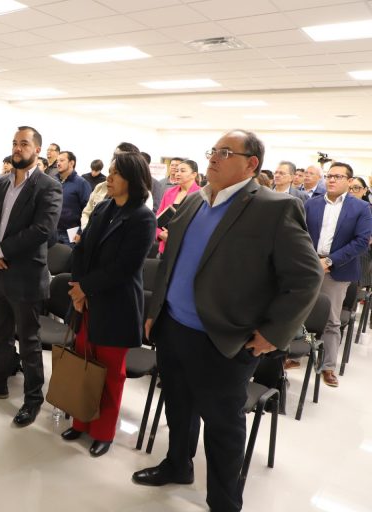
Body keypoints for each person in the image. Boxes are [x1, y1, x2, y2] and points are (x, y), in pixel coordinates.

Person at [132, 129, 323, 512]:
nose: (213, 158)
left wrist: (274, 333)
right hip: (173, 328)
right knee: (178, 406)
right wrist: (155, 313)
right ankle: (178, 465)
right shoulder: (195, 200)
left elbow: (306, 277)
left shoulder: (274, 207)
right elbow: (170, 262)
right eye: (213, 151)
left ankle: (223, 501)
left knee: (222, 425)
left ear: (251, 163)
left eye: (225, 152)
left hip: (223, 339)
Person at [0, 125, 63, 428]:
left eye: (25, 144)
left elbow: (42, 230)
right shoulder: (1, 183)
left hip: (25, 275)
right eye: (15, 143)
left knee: (29, 341)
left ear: (37, 150)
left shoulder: (48, 186)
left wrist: (1, 250)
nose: (18, 148)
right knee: (1, 334)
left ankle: (32, 399)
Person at [63, 151, 156, 457]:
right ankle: (80, 420)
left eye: (116, 173)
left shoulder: (142, 217)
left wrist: (85, 288)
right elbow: (81, 250)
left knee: (110, 373)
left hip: (116, 305)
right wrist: (78, 290)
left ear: (133, 179)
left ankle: (103, 432)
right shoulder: (104, 207)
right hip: (87, 301)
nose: (109, 178)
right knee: (84, 363)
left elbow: (124, 268)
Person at [303, 162, 372, 387]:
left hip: (337, 269)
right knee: (299, 313)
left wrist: (329, 261)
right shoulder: (312, 204)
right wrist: (310, 259)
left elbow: (361, 241)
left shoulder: (360, 207)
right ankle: (296, 355)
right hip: (309, 265)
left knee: (331, 320)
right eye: (329, 175)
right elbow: (301, 233)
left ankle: (328, 366)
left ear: (349, 181)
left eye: (338, 176)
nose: (332, 180)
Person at [155, 159, 201, 254]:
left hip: (186, 247)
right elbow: (158, 217)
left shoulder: (201, 194)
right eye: (177, 171)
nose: (178, 174)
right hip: (166, 246)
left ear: (194, 174)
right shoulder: (169, 192)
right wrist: (160, 234)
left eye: (182, 171)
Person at [56, 150, 91, 246]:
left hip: (71, 234)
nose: (58, 163)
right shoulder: (53, 181)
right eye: (57, 161)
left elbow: (88, 210)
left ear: (71, 163)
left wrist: (81, 232)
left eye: (62, 160)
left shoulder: (82, 183)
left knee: (67, 255)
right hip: (52, 232)